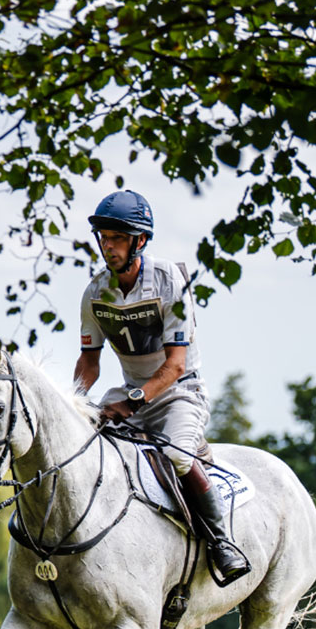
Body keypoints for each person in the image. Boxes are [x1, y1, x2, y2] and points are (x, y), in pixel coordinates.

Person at [74, 189, 250, 584]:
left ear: (140, 241)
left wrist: (134, 402)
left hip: (179, 394)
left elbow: (175, 365)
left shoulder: (170, 280)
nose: (108, 246)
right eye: (103, 237)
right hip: (129, 393)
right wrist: (73, 403)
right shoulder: (94, 292)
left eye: (117, 238)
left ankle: (222, 542)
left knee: (177, 455)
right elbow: (89, 361)